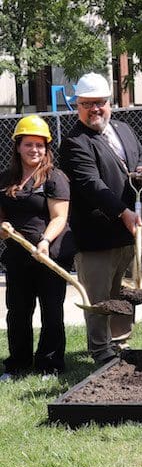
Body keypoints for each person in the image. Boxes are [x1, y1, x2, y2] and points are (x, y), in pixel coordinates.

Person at [59, 72, 142, 365]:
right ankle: (101, 352)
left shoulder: (124, 129)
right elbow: (91, 185)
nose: (94, 109)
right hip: (96, 236)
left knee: (124, 292)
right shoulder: (75, 142)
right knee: (99, 298)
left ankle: (121, 345)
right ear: (78, 107)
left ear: (109, 103)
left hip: (128, 234)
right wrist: (123, 212)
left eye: (99, 103)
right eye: (86, 104)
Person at [0, 116, 73, 379]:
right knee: (17, 311)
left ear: (47, 148)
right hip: (18, 256)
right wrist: (3, 227)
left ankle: (50, 364)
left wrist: (44, 241)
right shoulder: (6, 178)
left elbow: (59, 217)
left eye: (40, 145)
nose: (35, 150)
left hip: (50, 254)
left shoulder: (54, 177)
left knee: (51, 310)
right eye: (29, 144)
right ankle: (18, 363)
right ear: (18, 146)